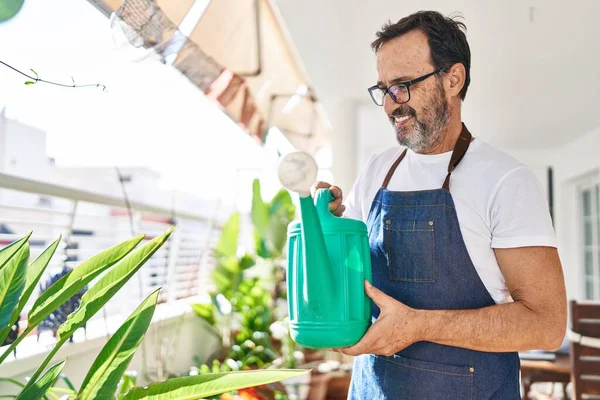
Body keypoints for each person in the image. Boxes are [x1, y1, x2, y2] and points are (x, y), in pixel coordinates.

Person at [312, 10, 567, 399]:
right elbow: (348, 276)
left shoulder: (505, 181)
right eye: (383, 89)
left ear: (453, 78)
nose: (389, 105)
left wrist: (419, 325)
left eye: (403, 85)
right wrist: (330, 228)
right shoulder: (379, 170)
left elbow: (546, 325)